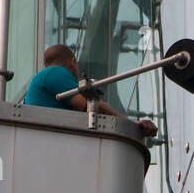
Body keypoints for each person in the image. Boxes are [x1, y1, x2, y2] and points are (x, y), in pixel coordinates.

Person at [24, 44, 158, 137]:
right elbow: (86, 105)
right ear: (73, 61)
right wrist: (131, 124)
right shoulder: (57, 72)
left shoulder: (41, 78)